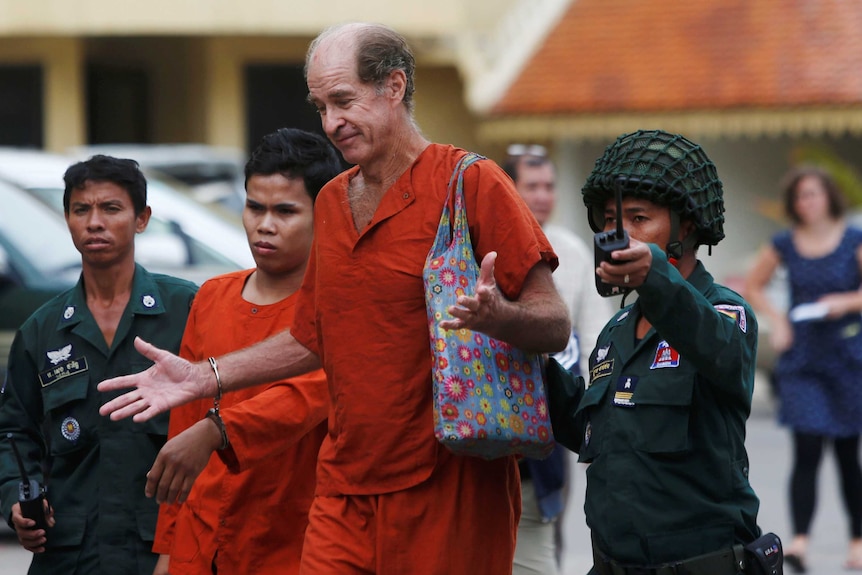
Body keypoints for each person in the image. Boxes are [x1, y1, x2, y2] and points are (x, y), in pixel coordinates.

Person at [98, 22, 571, 575]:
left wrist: (499, 318)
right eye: (320, 106)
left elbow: (554, 323)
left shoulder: (470, 182)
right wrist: (206, 377)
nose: (331, 124)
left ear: (393, 87)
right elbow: (312, 336)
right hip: (344, 484)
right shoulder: (331, 201)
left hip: (451, 481)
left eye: (343, 101)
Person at [545, 129, 764, 573]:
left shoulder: (726, 312)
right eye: (609, 219)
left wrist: (657, 278)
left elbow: (721, 352)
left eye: (639, 218)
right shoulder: (615, 330)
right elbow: (589, 431)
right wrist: (531, 356)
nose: (618, 233)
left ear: (686, 226)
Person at [150, 128, 341, 575]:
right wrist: (167, 552)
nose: (265, 224)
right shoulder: (212, 296)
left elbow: (303, 399)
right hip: (201, 541)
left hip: (290, 541)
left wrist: (214, 432)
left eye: (285, 211)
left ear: (325, 214)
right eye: (255, 207)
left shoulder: (338, 305)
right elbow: (183, 430)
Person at [0, 155, 197, 575]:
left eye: (111, 208)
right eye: (80, 209)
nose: (94, 222)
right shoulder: (42, 328)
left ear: (141, 219)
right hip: (70, 554)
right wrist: (17, 498)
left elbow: (227, 412)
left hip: (163, 549)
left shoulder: (187, 308)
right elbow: (14, 432)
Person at [744, 166, 862, 573]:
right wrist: (779, 319)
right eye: (799, 197)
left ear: (828, 195)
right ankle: (799, 541)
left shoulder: (853, 239)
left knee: (848, 453)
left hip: (847, 357)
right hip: (804, 358)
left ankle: (857, 541)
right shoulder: (785, 243)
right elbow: (752, 285)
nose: (806, 203)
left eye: (813, 194)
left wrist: (845, 303)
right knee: (807, 448)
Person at [503, 144, 613, 574]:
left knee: (548, 523)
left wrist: (594, 409)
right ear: (508, 188)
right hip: (494, 410)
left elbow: (595, 335)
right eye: (533, 186)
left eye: (549, 186)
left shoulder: (572, 250)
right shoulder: (485, 246)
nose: (544, 195)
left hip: (556, 410)